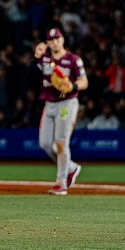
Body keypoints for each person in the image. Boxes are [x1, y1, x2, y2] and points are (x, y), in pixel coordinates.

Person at [33, 27, 88, 195]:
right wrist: (37, 53)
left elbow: (84, 81)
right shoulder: (44, 59)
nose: (55, 42)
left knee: (61, 141)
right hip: (49, 103)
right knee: (45, 143)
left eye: (57, 39)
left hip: (67, 103)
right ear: (48, 43)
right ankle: (70, 167)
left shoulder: (73, 59)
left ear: (62, 39)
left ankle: (61, 182)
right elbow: (33, 70)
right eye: (51, 40)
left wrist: (73, 86)